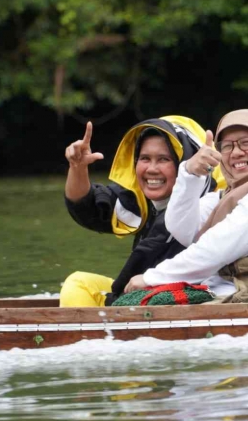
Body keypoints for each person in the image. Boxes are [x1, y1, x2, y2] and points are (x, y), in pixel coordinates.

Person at [125, 109, 248, 303]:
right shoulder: (228, 196)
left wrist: (153, 278)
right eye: (228, 146)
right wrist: (190, 173)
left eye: (247, 143)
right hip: (232, 298)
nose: (236, 153)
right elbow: (181, 228)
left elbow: (221, 245)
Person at [60, 116, 225, 307]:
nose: (152, 169)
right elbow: (87, 208)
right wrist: (77, 167)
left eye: (164, 159)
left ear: (187, 161)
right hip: (145, 292)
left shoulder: (216, 203)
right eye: (145, 158)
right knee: (78, 283)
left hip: (193, 297)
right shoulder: (139, 201)